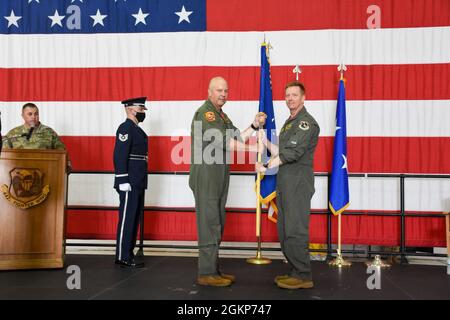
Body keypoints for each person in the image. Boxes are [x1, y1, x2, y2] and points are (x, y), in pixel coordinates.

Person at [189, 76, 266, 287]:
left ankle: (213, 269)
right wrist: (254, 150)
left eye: (226, 91)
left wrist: (253, 125)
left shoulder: (222, 116)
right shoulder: (206, 114)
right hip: (206, 175)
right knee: (209, 222)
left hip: (219, 173)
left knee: (217, 222)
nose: (223, 94)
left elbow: (236, 138)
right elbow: (224, 142)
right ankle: (206, 273)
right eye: (219, 90)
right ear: (209, 91)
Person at [256, 81, 320, 289]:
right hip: (286, 182)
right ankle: (294, 269)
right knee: (284, 229)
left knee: (295, 229)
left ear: (303, 98)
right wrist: (264, 142)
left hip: (298, 183)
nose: (290, 99)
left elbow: (292, 153)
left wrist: (266, 166)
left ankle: (303, 275)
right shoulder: (289, 123)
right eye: (287, 95)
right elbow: (281, 150)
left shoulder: (305, 123)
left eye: (294, 95)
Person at [113, 97, 149, 268]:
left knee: (134, 218)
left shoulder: (136, 129)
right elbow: (120, 155)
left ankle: (129, 253)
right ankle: (122, 255)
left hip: (138, 179)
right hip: (129, 180)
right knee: (127, 218)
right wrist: (122, 179)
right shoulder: (126, 128)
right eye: (140, 109)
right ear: (129, 109)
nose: (142, 112)